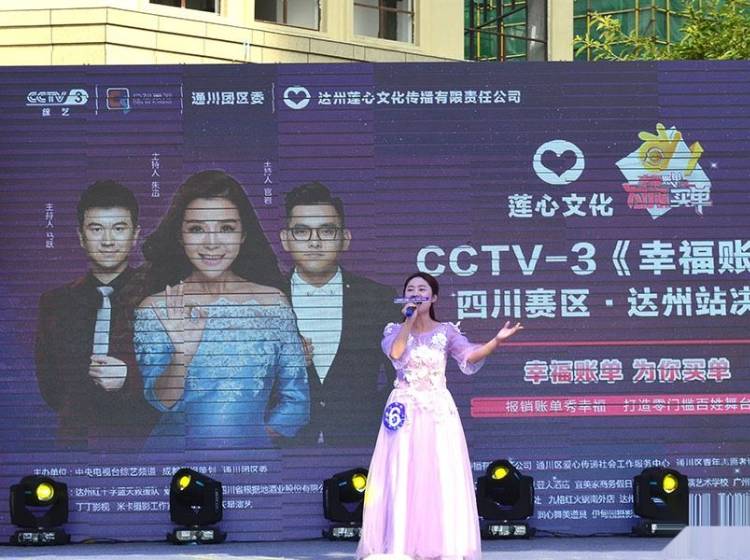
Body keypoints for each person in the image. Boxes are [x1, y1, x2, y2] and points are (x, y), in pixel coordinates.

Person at [134, 170, 309, 450]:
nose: (212, 243)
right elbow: (160, 402)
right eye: (197, 229)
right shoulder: (156, 308)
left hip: (251, 461)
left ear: (243, 234)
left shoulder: (273, 304)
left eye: (226, 228)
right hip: (173, 462)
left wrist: (254, 441)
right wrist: (181, 356)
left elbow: (296, 402)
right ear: (180, 236)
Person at [356, 272, 524, 560]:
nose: (416, 293)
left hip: (437, 411)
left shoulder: (446, 332)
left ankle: (439, 542)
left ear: (433, 297)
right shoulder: (393, 330)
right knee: (402, 472)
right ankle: (400, 543)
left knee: (438, 473)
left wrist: (496, 341)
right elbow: (396, 354)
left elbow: (469, 356)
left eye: (422, 289)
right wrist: (408, 321)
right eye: (411, 289)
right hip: (404, 409)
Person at [34, 180, 158, 449]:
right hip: (76, 444)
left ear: (136, 234)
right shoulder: (55, 303)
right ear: (81, 236)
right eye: (96, 229)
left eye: (119, 228)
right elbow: (51, 388)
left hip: (146, 445)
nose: (108, 241)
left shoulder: (159, 296)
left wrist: (129, 379)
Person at [280, 181, 397, 446]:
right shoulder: (264, 299)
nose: (314, 242)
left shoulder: (377, 297)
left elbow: (401, 379)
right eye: (302, 231)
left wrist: (370, 421)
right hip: (284, 448)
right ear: (285, 239)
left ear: (345, 238)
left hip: (359, 445)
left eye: (327, 231)